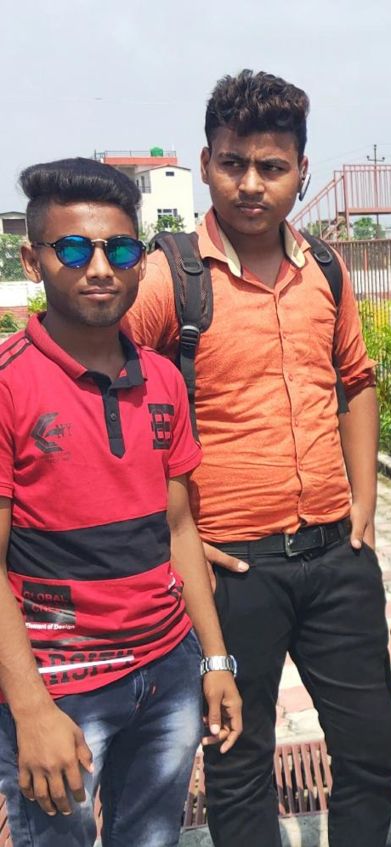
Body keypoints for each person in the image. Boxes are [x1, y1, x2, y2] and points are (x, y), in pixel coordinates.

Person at [124, 69, 391, 847]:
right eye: (233, 163)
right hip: (232, 567)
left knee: (373, 745)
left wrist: (365, 502)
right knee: (239, 758)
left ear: (301, 171)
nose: (251, 184)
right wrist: (170, 534)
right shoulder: (168, 278)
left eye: (272, 167)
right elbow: (108, 398)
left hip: (336, 555)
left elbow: (356, 381)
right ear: (205, 162)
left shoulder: (327, 269)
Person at [0, 158, 241, 847]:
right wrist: (31, 709)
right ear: (33, 260)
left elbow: (179, 527)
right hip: (61, 685)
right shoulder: (9, 385)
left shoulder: (162, 379)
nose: (100, 268)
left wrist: (214, 660)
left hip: (167, 671)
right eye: (74, 249)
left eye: (121, 250)